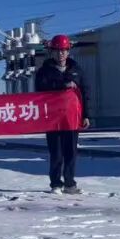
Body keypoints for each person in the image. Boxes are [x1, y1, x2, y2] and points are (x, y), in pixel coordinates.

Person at [35, 34, 91, 195]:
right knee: (56, 152)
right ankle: (55, 183)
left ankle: (69, 183)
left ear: (68, 51)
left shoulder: (76, 70)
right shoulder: (45, 71)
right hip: (53, 119)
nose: (61, 54)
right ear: (52, 52)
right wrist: (62, 84)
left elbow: (85, 94)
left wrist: (86, 115)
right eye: (57, 50)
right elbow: (40, 90)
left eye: (64, 50)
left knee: (71, 152)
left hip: (72, 118)